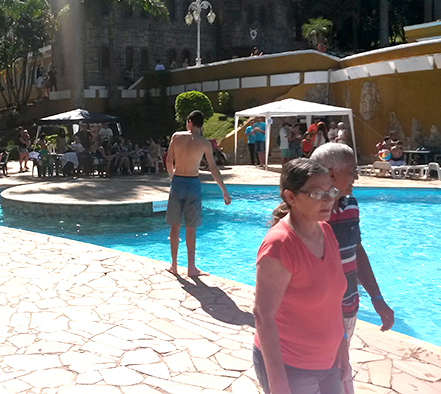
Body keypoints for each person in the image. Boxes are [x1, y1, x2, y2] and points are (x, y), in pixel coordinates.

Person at [253, 158, 348, 394]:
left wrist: (343, 347)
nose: (328, 199)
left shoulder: (326, 232)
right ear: (291, 197)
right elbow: (263, 317)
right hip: (291, 367)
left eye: (331, 191)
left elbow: (333, 301)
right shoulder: (280, 245)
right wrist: (278, 384)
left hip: (329, 362)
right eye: (317, 193)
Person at [311, 143, 395, 393]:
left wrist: (377, 298)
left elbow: (356, 250)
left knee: (338, 373)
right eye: (352, 170)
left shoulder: (351, 205)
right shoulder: (310, 213)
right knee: (324, 376)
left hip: (348, 308)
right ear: (332, 174)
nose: (356, 176)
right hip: (317, 316)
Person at [165, 110, 231, 276]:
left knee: (175, 226)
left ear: (189, 122)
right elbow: (213, 169)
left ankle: (174, 265)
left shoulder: (176, 137)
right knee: (191, 228)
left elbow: (168, 161)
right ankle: (191, 268)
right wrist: (224, 191)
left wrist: (173, 179)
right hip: (193, 184)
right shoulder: (204, 143)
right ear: (201, 125)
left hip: (178, 181)